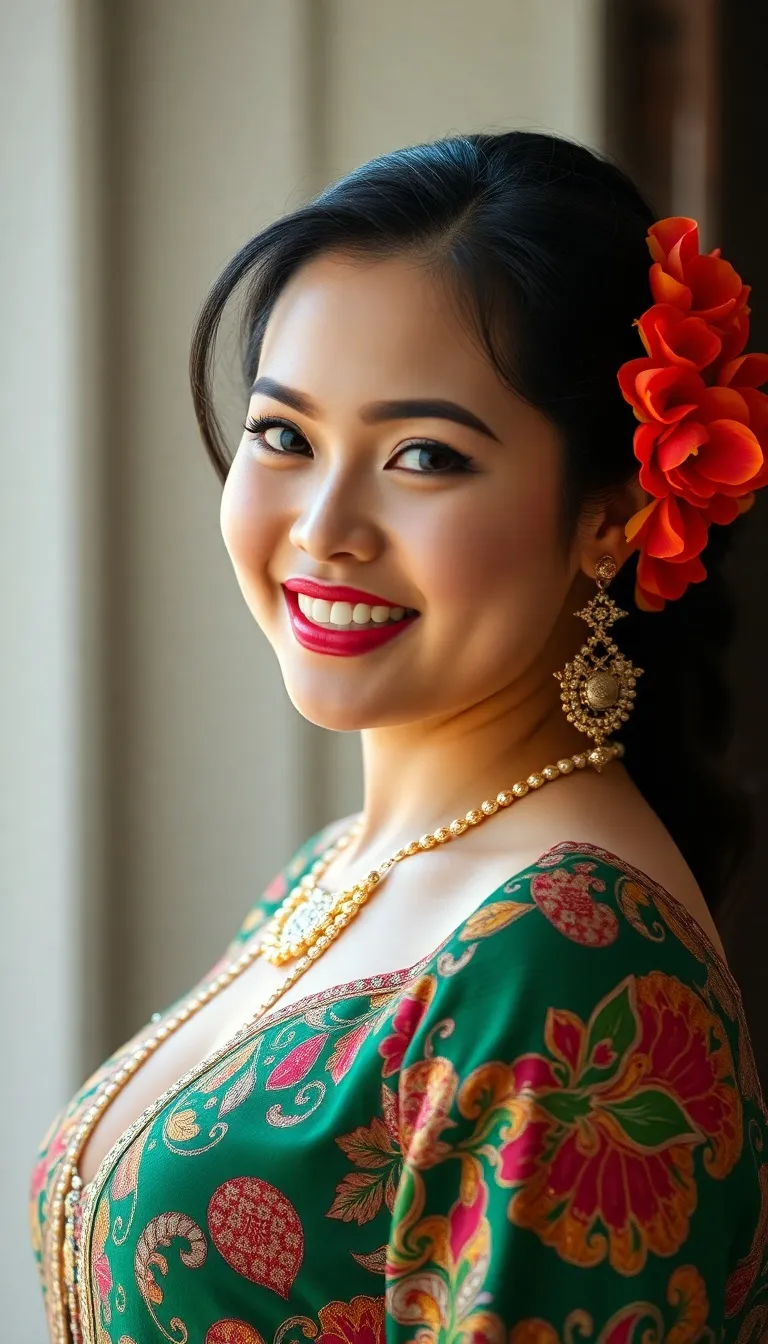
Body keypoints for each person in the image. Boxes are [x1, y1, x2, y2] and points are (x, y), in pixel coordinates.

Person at [30, 131, 768, 1344]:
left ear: (612, 514)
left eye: (423, 457)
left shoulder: (570, 957)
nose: (325, 528)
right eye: (284, 436)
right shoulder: (336, 871)